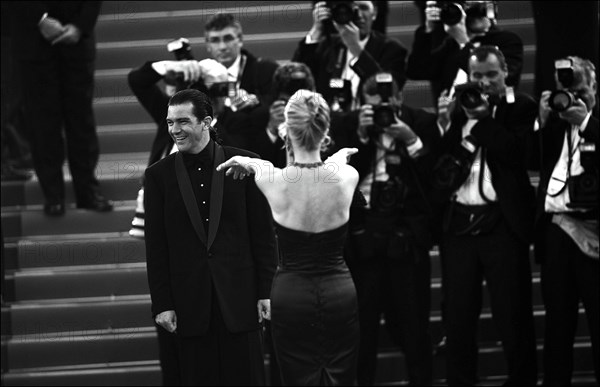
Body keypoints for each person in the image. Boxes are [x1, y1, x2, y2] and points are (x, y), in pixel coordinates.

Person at [217, 89, 361, 385]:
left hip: (291, 294)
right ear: (325, 130)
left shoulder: (272, 180)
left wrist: (252, 163)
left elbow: (263, 167)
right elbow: (332, 168)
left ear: (287, 132)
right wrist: (336, 157)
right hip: (339, 291)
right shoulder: (347, 176)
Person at [144, 89, 278, 385]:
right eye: (169, 123)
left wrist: (266, 290)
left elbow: (263, 236)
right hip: (188, 304)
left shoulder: (248, 163)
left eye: (182, 122)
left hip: (240, 299)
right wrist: (162, 303)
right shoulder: (157, 176)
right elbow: (156, 247)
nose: (174, 130)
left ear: (206, 121)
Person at [433, 45, 537, 385]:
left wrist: (485, 119)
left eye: (491, 74)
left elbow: (518, 154)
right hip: (459, 227)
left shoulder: (520, 107)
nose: (484, 82)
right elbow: (441, 164)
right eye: (477, 75)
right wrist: (448, 121)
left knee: (513, 317)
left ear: (505, 73)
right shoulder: (458, 110)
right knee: (459, 320)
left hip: (503, 227)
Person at [336, 73, 439, 385]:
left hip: (404, 232)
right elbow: (340, 179)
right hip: (363, 234)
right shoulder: (350, 126)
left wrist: (410, 139)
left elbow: (433, 178)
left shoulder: (420, 122)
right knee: (361, 328)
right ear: (362, 105)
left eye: (386, 105)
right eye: (373, 107)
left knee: (413, 324)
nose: (382, 112)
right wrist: (363, 139)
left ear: (398, 100)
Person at [531, 56, 598, 386]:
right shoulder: (553, 125)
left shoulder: (595, 121)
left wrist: (586, 122)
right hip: (556, 231)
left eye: (579, 88)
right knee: (557, 323)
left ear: (594, 88)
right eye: (565, 89)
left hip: (593, 231)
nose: (571, 96)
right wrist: (541, 122)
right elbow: (525, 160)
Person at [10, 1, 112, 216]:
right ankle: (53, 195)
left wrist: (80, 26)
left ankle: (88, 191)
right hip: (33, 41)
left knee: (81, 120)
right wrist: (41, 19)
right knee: (42, 123)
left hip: (76, 41)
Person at [293, 1, 407, 112]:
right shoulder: (328, 46)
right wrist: (316, 31)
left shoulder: (391, 49)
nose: (359, 15)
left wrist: (355, 48)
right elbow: (297, 81)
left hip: (370, 122)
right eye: (352, 8)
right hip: (331, 123)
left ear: (375, 12)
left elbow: (389, 92)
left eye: (364, 7)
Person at [407, 1, 523, 105]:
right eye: (466, 9)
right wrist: (428, 29)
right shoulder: (451, 44)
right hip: (452, 119)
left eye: (477, 9)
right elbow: (416, 71)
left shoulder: (507, 40)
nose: (472, 15)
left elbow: (505, 81)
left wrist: (463, 42)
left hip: (492, 116)